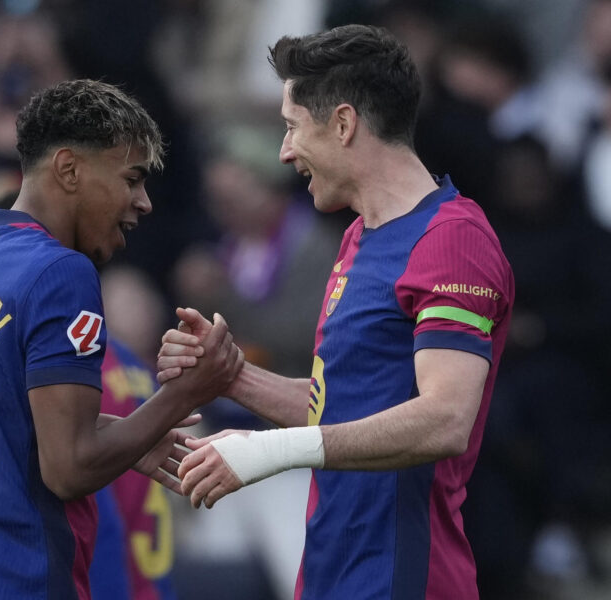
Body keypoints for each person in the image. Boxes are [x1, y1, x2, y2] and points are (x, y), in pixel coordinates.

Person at [157, 25, 514, 599]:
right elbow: (343, 403)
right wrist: (230, 376)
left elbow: (446, 419)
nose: (285, 151)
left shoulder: (452, 241)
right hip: (331, 571)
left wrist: (269, 449)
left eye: (292, 125)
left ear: (343, 124)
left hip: (403, 579)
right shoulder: (357, 239)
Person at [0, 79, 242, 599]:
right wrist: (187, 392)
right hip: (12, 581)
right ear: (70, 169)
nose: (144, 202)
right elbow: (70, 469)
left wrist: (128, 438)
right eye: (132, 178)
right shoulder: (60, 271)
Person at [90, 337, 177, 600]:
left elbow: (98, 526)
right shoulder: (130, 362)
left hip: (115, 584)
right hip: (153, 583)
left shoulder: (75, 369)